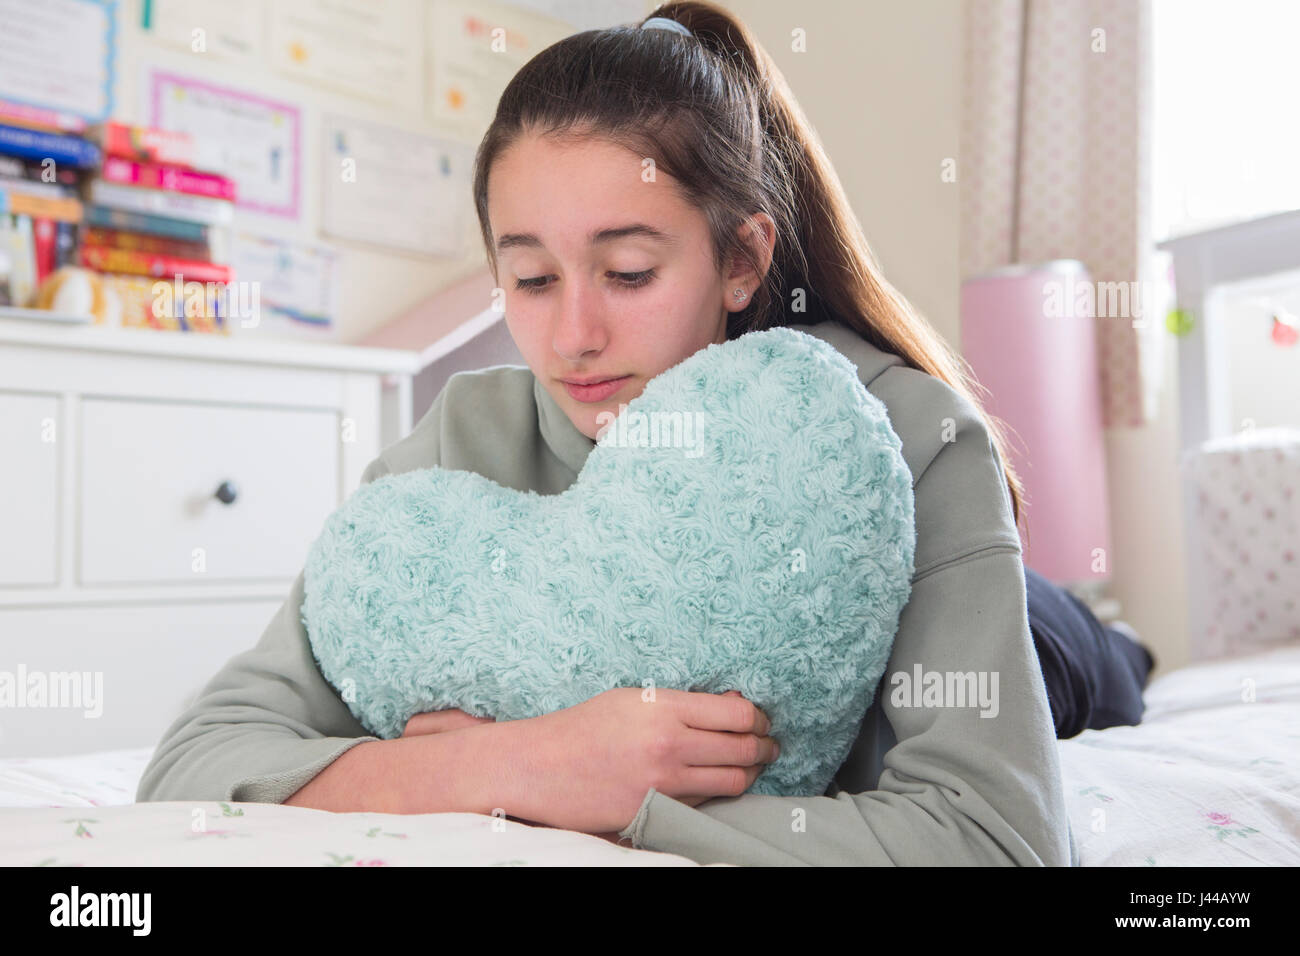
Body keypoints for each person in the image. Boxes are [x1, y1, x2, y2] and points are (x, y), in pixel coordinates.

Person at [135, 3, 1152, 865]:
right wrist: (524, 762)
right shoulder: (460, 450)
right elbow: (195, 765)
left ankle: (1123, 642)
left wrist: (618, 799)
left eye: (627, 273)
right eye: (530, 280)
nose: (573, 336)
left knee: (1088, 652)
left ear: (742, 257)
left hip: (1032, 626)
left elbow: (997, 834)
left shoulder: (907, 433)